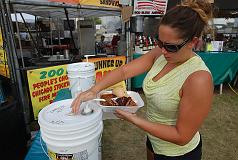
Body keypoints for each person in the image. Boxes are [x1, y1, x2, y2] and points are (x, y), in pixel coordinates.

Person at [71, 0, 214, 159]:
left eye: (171, 47)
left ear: (193, 42)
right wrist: (93, 90)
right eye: (160, 42)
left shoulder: (198, 79)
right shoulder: (161, 53)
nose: (164, 51)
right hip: (154, 141)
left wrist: (134, 120)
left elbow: (182, 136)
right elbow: (124, 71)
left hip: (178, 154)